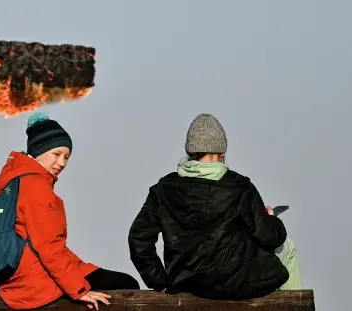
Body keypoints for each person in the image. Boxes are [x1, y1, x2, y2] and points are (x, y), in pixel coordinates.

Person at [128, 113, 302, 300]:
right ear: (222, 152)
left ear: (191, 151)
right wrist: (269, 218)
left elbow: (139, 239)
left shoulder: (162, 189)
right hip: (235, 283)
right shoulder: (239, 186)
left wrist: (160, 282)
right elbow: (270, 237)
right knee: (287, 246)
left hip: (185, 282)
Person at [0, 112, 139, 311]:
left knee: (114, 280)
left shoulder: (17, 183)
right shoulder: (36, 188)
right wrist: (80, 289)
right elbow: (47, 246)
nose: (61, 162)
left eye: (66, 157)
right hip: (34, 280)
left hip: (18, 276)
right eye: (56, 154)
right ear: (38, 150)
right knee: (126, 285)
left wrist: (82, 268)